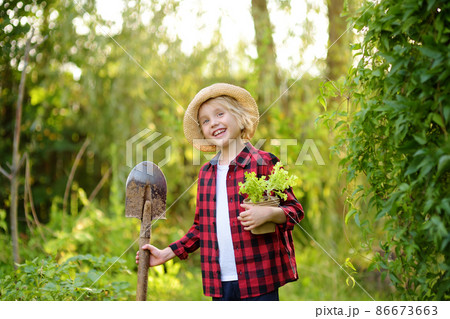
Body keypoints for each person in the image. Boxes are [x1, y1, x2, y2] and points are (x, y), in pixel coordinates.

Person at [136, 83, 304, 301]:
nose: (213, 123)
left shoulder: (263, 163)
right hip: (219, 283)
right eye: (205, 121)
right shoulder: (206, 173)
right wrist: (166, 253)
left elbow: (295, 210)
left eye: (219, 114)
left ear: (239, 117)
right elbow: (201, 228)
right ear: (203, 132)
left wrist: (270, 214)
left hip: (259, 280)